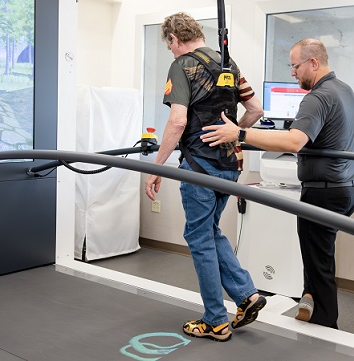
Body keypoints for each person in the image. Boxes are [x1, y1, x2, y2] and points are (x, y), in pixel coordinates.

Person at [201, 38, 354, 329]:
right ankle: (309, 299)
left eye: (295, 66)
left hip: (326, 192)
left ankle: (327, 330)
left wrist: (240, 134)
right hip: (348, 188)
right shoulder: (344, 90)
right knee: (317, 256)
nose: (292, 73)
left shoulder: (317, 96)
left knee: (319, 262)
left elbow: (294, 141)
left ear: (314, 63)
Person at [144, 12, 266, 342]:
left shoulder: (182, 66)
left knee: (198, 238)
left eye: (168, 45)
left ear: (173, 38)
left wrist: (156, 166)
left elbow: (178, 122)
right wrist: (235, 132)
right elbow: (256, 110)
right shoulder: (229, 64)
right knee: (209, 230)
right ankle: (246, 294)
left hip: (200, 166)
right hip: (230, 164)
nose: (170, 51)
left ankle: (215, 320)